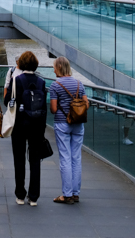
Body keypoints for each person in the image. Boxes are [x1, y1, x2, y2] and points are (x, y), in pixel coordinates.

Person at [3, 51, 47, 206]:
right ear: (35, 65)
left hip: (20, 124)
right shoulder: (41, 82)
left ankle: (20, 195)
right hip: (36, 125)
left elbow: (8, 101)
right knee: (35, 160)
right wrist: (42, 130)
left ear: (20, 64)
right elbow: (44, 107)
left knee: (19, 159)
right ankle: (34, 197)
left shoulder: (16, 80)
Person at [50, 56, 87, 204]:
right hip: (78, 124)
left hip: (62, 123)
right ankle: (76, 193)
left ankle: (67, 194)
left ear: (59, 67)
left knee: (65, 158)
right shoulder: (79, 84)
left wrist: (62, 107)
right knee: (76, 158)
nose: (53, 70)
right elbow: (86, 104)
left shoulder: (55, 85)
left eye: (54, 67)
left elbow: (53, 109)